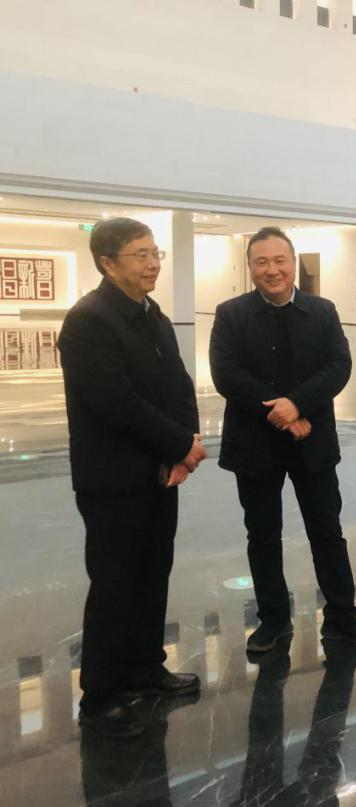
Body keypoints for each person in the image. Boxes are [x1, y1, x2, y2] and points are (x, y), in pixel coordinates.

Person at [58, 217, 207, 739]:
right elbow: (116, 404)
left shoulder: (152, 314)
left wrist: (183, 443)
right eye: (140, 255)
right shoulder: (88, 321)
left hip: (159, 472)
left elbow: (178, 383)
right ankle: (100, 696)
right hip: (113, 479)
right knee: (116, 582)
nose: (152, 264)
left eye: (155, 253)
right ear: (107, 263)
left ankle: (146, 668)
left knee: (152, 571)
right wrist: (179, 444)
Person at [210, 226, 356, 654]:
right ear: (250, 267)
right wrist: (283, 415)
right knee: (262, 535)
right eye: (262, 262)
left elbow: (339, 365)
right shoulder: (230, 314)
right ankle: (273, 621)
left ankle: (342, 618)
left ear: (293, 263)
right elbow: (226, 375)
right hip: (255, 444)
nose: (272, 270)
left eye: (279, 260)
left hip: (312, 442)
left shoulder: (322, 311)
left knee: (327, 531)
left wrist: (298, 404)